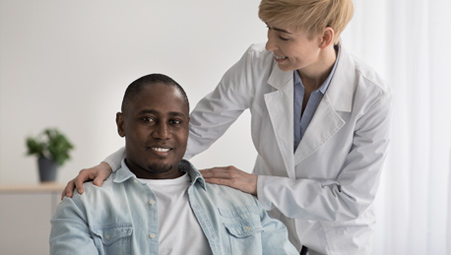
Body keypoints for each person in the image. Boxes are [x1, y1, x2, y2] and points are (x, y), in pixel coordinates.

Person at [62, 0, 393, 254]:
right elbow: (194, 130)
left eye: (283, 35)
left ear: (324, 37)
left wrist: (257, 184)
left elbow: (349, 201)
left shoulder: (371, 97)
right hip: (271, 228)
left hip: (334, 241)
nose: (269, 44)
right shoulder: (257, 65)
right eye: (268, 29)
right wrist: (110, 165)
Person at [50, 74, 298, 255]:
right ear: (122, 124)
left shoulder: (239, 200)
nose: (163, 133)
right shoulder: (83, 205)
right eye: (148, 119)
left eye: (175, 122)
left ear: (188, 126)